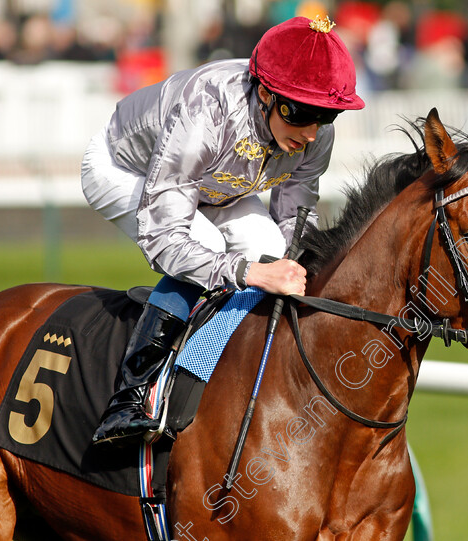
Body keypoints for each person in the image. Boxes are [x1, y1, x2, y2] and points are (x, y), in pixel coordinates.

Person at [80, 15, 364, 446]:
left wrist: (291, 267)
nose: (309, 133)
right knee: (208, 246)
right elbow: (164, 238)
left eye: (324, 116)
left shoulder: (312, 135)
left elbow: (295, 213)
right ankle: (130, 398)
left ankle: (223, 365)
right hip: (125, 168)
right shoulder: (207, 110)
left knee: (270, 248)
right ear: (266, 92)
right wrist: (249, 273)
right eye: (300, 113)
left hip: (217, 182)